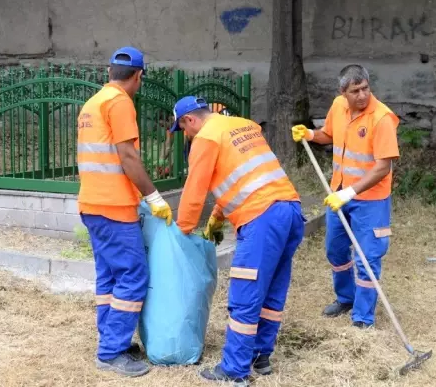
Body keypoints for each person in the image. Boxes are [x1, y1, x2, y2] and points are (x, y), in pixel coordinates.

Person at [171, 96, 305, 384]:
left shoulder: (204, 138)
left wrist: (181, 231)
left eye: (183, 128)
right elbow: (244, 174)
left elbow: (194, 192)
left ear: (189, 120)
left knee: (245, 293)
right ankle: (261, 356)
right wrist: (218, 215)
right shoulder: (241, 126)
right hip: (290, 210)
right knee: (271, 289)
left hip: (262, 218)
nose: (186, 135)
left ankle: (234, 370)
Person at [76, 46, 173, 378]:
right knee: (133, 276)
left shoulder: (93, 103)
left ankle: (110, 338)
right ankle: (111, 351)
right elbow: (127, 157)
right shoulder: (119, 103)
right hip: (114, 207)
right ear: (139, 76)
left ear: (108, 72)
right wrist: (154, 196)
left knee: (109, 277)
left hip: (92, 204)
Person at [291, 64, 400, 329]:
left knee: (367, 257)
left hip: (370, 200)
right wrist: (310, 134)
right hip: (339, 194)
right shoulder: (338, 106)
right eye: (355, 91)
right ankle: (346, 298)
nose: (362, 95)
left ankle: (363, 317)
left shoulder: (382, 118)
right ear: (343, 92)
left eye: (365, 89)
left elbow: (382, 166)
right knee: (336, 251)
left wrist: (350, 192)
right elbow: (329, 134)